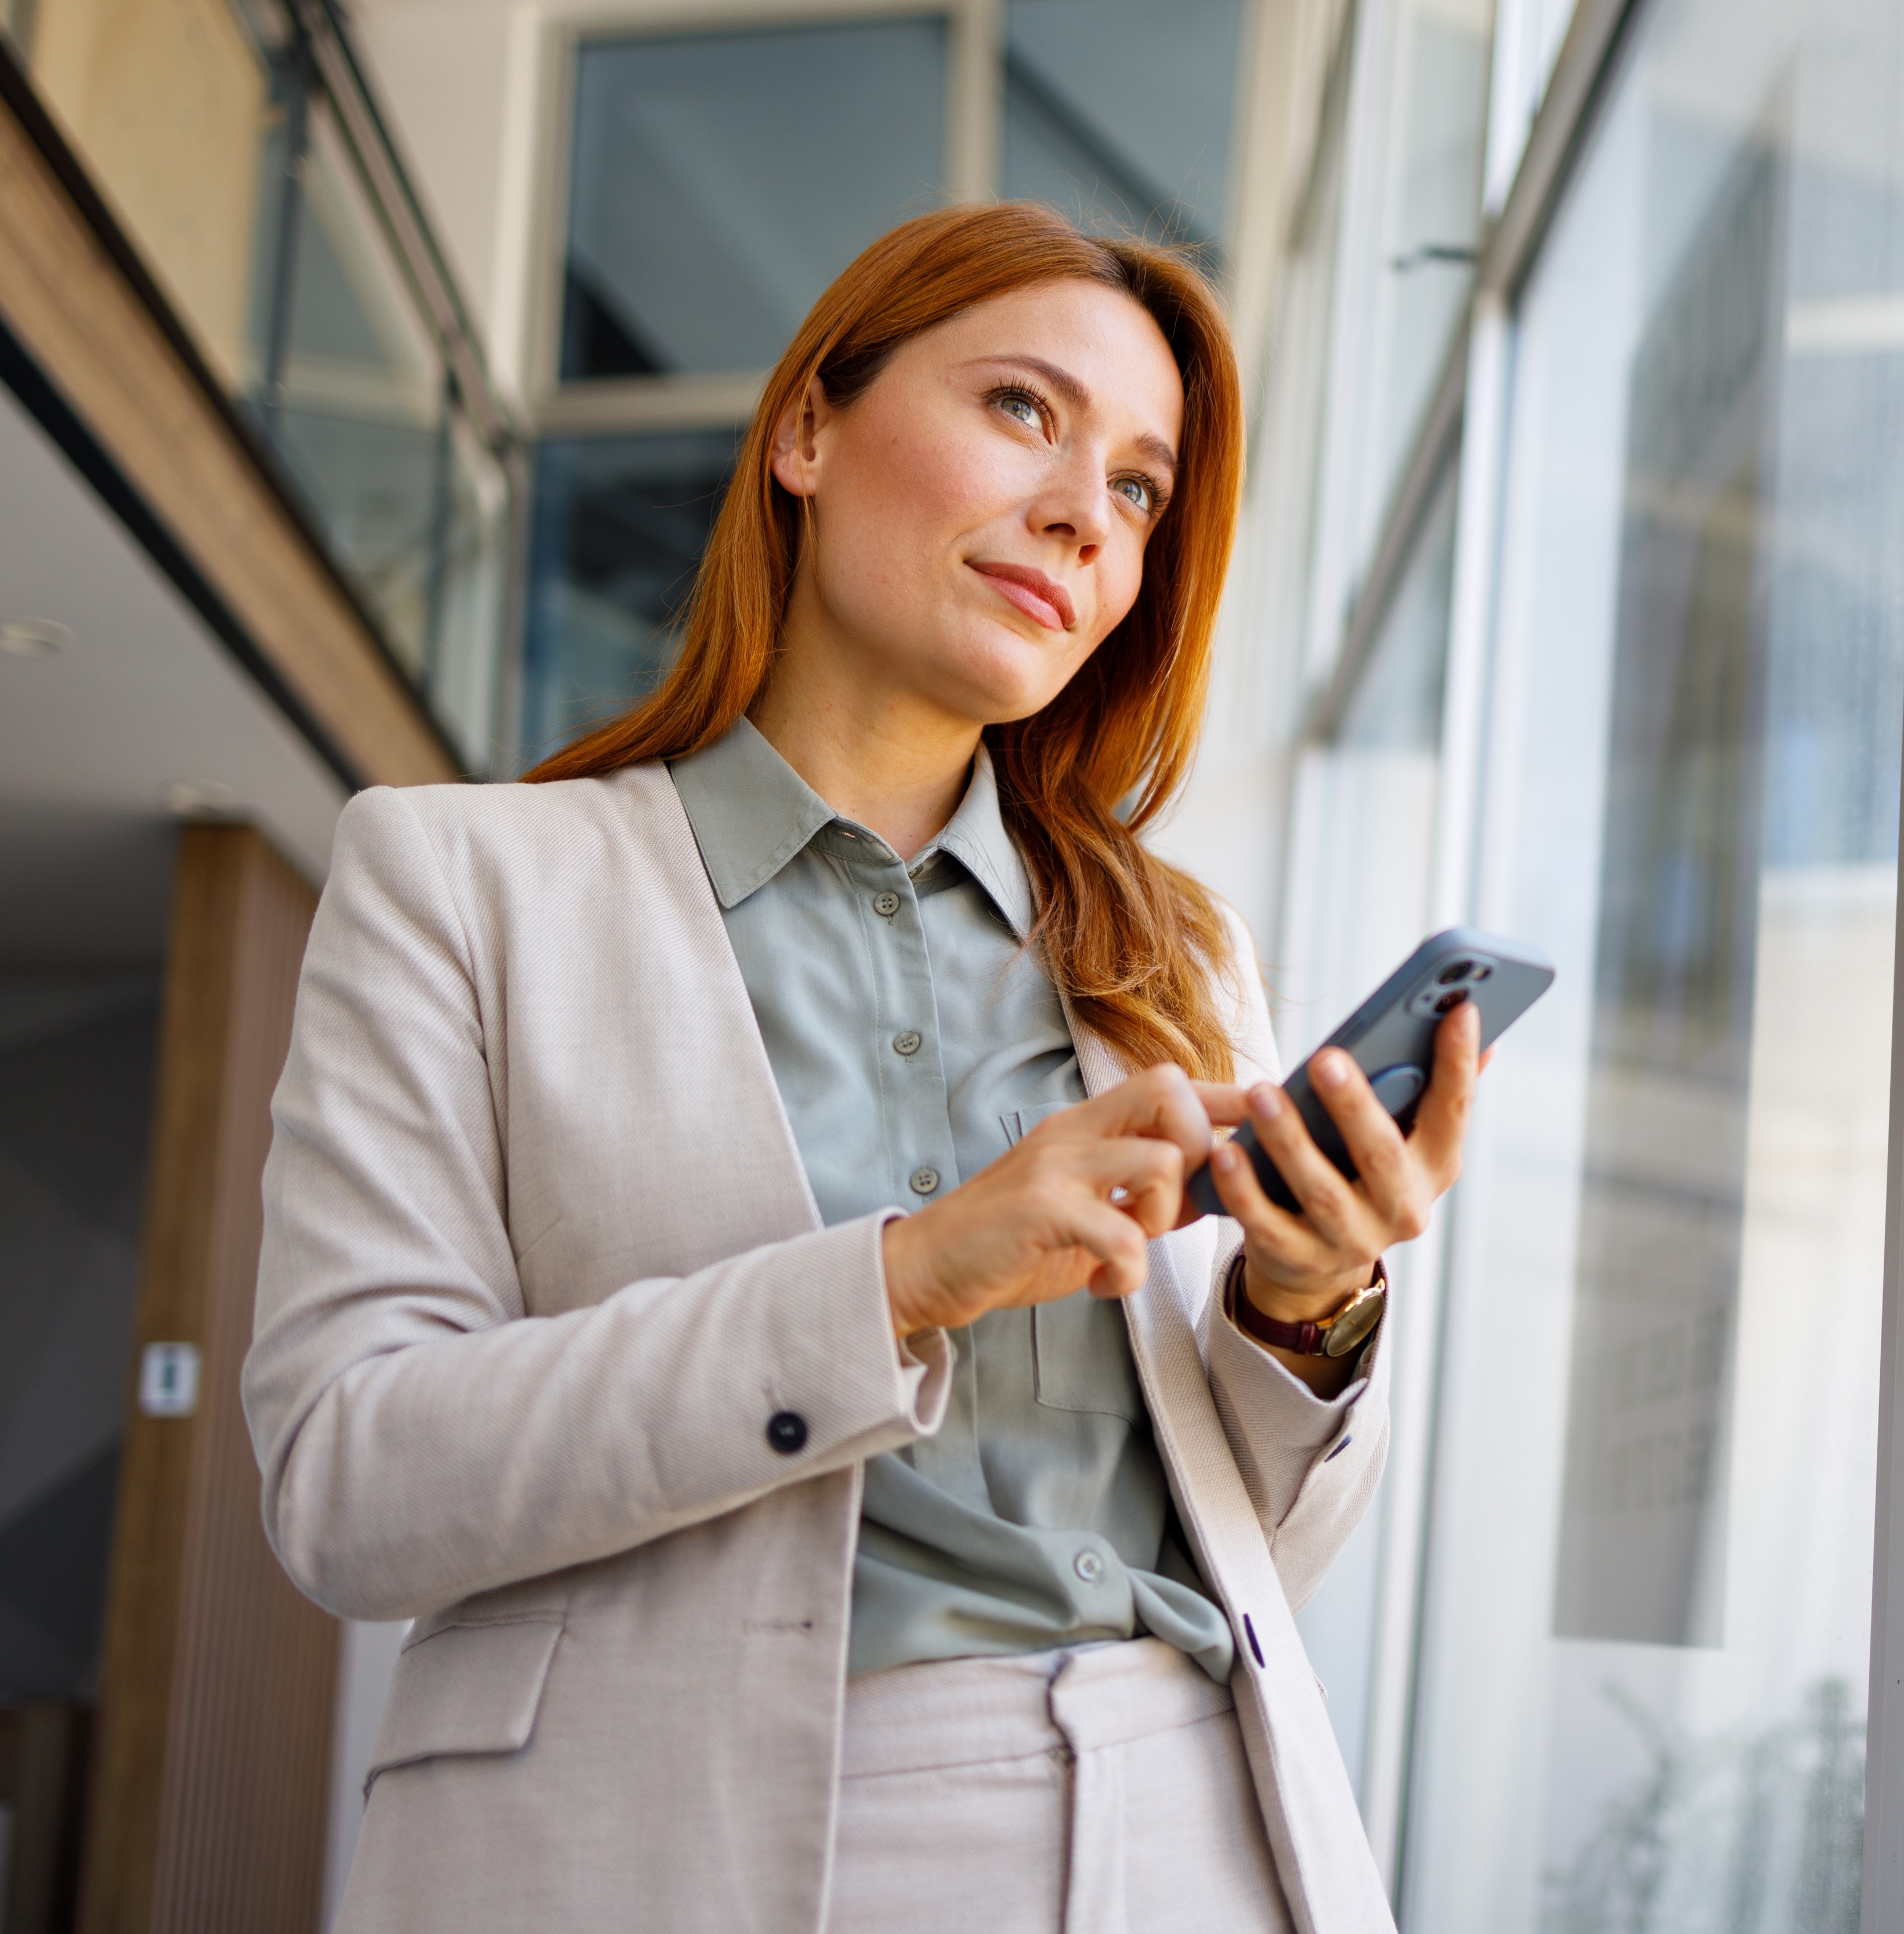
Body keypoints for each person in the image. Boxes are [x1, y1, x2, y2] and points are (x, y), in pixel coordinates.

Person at [242, 202, 1483, 1934]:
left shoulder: (1176, 958)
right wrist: (902, 1281)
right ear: (808, 429)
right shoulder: (463, 883)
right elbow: (348, 1482)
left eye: (1139, 489)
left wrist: (1307, 1293)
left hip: (1194, 1822)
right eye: (1025, 412)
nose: (1081, 513)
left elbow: (1271, 1548)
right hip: (700, 1839)